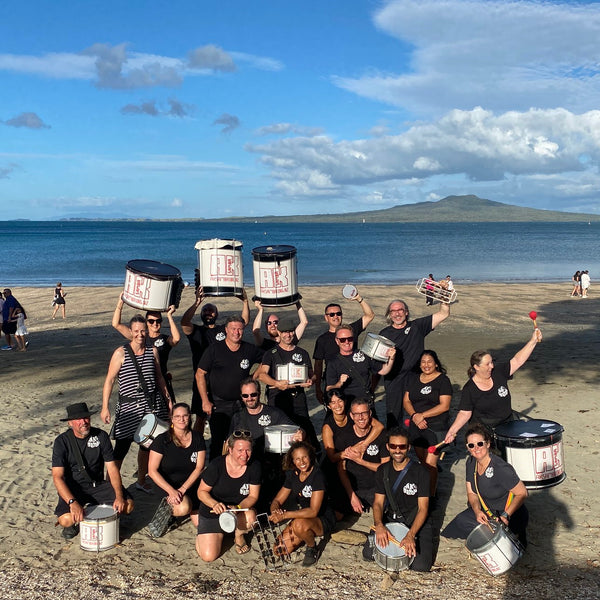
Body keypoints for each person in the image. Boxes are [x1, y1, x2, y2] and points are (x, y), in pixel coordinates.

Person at [101, 314, 172, 492]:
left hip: (150, 406)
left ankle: (141, 480)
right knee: (121, 449)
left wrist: (168, 400)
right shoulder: (121, 353)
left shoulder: (152, 351)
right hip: (128, 409)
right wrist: (105, 408)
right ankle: (110, 487)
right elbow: (109, 380)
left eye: (143, 331)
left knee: (147, 446)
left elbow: (159, 378)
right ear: (131, 332)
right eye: (136, 331)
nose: (140, 334)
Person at [444, 328, 543, 443]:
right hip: (484, 431)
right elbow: (465, 413)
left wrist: (533, 341)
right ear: (476, 367)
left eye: (492, 362)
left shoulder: (498, 372)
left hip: (507, 426)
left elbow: (517, 360)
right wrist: (452, 430)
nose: (492, 366)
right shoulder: (469, 389)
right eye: (487, 364)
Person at [52, 402, 134, 540]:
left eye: (86, 418)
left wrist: (119, 496)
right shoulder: (62, 441)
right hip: (74, 488)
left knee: (128, 506)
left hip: (98, 485)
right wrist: (72, 502)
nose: (83, 422)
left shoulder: (101, 436)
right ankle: (74, 523)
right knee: (66, 520)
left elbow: (112, 468)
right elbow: (57, 477)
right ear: (70, 423)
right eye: (78, 419)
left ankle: (94, 507)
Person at [441, 423, 529, 546]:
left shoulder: (500, 467)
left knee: (501, 541)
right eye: (471, 445)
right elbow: (471, 493)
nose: (476, 448)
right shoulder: (471, 462)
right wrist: (477, 511)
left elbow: (522, 493)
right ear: (468, 448)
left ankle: (517, 534)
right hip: (486, 511)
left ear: (487, 444)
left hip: (508, 514)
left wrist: (506, 515)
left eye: (480, 444)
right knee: (461, 522)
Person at [181, 286, 250, 429]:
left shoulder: (223, 330)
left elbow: (243, 322)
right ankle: (198, 447)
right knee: (200, 418)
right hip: (202, 381)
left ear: (217, 314)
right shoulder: (196, 331)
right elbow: (184, 323)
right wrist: (197, 302)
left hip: (222, 381)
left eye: (211, 310)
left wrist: (245, 302)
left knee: (229, 420)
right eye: (205, 310)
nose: (208, 313)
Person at [230, 378, 304, 508]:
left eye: (253, 394)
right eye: (245, 396)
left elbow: (296, 429)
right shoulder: (238, 417)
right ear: (241, 397)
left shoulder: (274, 413)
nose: (250, 398)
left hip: (274, 464)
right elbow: (229, 445)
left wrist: (301, 433)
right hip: (249, 464)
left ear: (259, 393)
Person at [196, 315, 262, 460]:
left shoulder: (249, 349)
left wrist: (254, 377)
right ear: (226, 330)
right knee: (219, 441)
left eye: (240, 329)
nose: (236, 332)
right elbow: (200, 374)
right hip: (219, 404)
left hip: (242, 403)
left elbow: (266, 360)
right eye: (233, 329)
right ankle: (216, 473)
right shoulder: (214, 349)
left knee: (242, 439)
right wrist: (205, 400)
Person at [370, 427, 434, 572]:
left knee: (421, 566)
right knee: (369, 554)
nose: (397, 450)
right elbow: (378, 503)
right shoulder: (382, 470)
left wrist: (411, 535)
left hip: (415, 519)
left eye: (402, 446)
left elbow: (423, 508)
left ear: (408, 447)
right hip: (392, 517)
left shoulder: (422, 472)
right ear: (388, 447)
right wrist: (379, 524)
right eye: (393, 446)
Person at [379, 299, 450, 428]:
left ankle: (422, 441)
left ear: (406, 312)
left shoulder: (417, 326)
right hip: (393, 380)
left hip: (416, 377)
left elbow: (443, 314)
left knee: (421, 411)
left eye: (400, 310)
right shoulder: (384, 334)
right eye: (393, 311)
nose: (397, 314)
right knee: (394, 417)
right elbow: (379, 365)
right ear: (389, 314)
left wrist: (444, 298)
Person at [269, 441, 336, 567]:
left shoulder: (318, 476)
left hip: (322, 518)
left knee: (299, 524)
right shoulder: (292, 475)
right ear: (293, 461)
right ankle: (303, 534)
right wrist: (275, 511)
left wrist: (284, 516)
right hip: (303, 516)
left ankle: (312, 547)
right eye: (297, 459)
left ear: (310, 456)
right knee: (278, 550)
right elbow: (277, 500)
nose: (302, 462)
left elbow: (313, 511)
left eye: (304, 457)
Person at [255, 317, 318, 449]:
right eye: (284, 332)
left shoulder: (302, 353)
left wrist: (310, 381)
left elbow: (313, 375)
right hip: (278, 399)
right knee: (280, 438)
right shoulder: (270, 354)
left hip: (298, 400)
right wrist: (277, 383)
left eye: (290, 331)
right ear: (279, 332)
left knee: (305, 434)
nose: (287, 335)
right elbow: (262, 375)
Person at [196, 431, 260, 561]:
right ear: (230, 450)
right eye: (240, 450)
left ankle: (238, 535)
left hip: (236, 511)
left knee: (251, 517)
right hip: (213, 511)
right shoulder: (217, 465)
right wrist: (214, 504)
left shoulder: (254, 467)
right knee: (209, 556)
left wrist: (238, 507)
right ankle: (207, 533)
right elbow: (201, 492)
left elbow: (253, 496)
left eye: (248, 450)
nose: (244, 455)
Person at [147, 402, 206, 537]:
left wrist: (183, 489)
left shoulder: (197, 438)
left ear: (190, 417)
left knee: (202, 526)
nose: (181, 419)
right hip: (166, 485)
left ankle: (190, 506)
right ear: (172, 419)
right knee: (184, 507)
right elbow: (152, 471)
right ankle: (167, 514)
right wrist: (172, 491)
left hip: (190, 484)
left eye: (185, 416)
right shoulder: (162, 440)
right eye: (177, 416)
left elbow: (199, 468)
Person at [112, 295, 181, 401]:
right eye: (151, 321)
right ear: (146, 323)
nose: (155, 323)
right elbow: (116, 324)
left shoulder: (165, 339)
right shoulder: (140, 336)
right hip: (145, 382)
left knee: (167, 414)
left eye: (158, 321)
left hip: (161, 381)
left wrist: (170, 316)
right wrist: (120, 303)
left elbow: (176, 339)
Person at [403, 350, 452, 495]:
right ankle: (425, 488)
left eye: (429, 361)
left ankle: (430, 494)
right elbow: (406, 400)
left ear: (436, 363)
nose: (426, 365)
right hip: (416, 426)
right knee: (422, 462)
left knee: (431, 464)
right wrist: (414, 416)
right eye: (423, 362)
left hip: (435, 426)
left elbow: (445, 405)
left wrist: (421, 416)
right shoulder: (413, 379)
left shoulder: (443, 380)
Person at [313, 290, 375, 405]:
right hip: (333, 381)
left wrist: (358, 298)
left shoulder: (351, 330)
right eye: (331, 314)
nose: (335, 316)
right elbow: (318, 365)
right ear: (326, 317)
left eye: (338, 313)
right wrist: (318, 389)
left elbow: (369, 315)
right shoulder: (322, 339)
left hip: (354, 380)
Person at [325, 323, 396, 411]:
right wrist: (339, 383)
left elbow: (383, 371)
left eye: (350, 338)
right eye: (342, 340)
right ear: (337, 341)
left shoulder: (364, 354)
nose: (347, 342)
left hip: (366, 403)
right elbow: (329, 388)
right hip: (347, 405)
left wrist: (391, 358)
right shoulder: (333, 362)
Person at [338, 398, 389, 514]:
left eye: (364, 413)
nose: (360, 417)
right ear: (351, 416)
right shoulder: (344, 436)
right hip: (353, 487)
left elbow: (385, 468)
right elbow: (341, 469)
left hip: (375, 486)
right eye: (356, 414)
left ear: (370, 413)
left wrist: (361, 461)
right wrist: (351, 495)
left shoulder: (381, 435)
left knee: (384, 512)